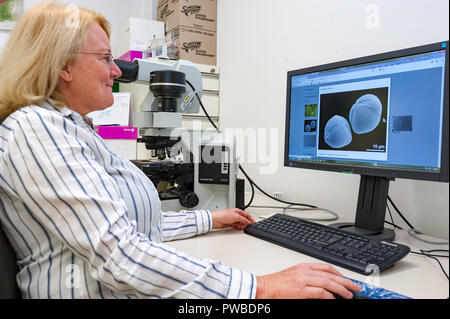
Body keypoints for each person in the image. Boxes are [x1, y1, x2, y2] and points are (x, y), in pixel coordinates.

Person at [0, 2, 360, 299]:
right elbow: (122, 255)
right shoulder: (37, 129)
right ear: (63, 65)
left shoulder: (72, 129)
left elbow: (129, 223)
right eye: (105, 57)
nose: (115, 70)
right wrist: (261, 287)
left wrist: (210, 218)